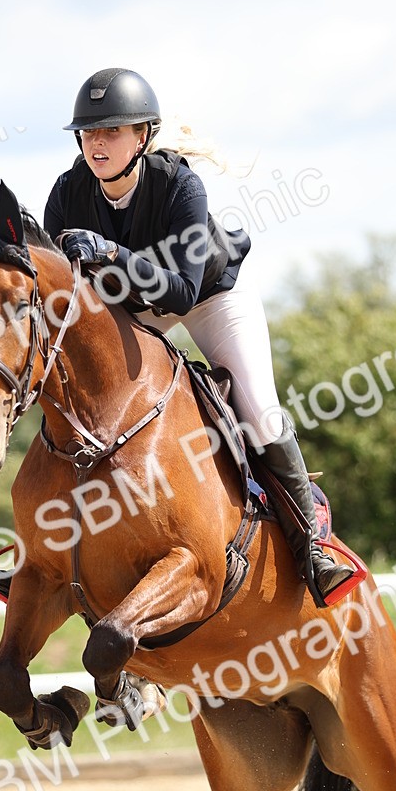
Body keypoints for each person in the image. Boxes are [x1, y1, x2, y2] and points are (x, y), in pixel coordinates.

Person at [44, 67, 359, 607]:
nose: (97, 143)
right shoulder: (69, 191)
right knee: (79, 402)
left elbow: (182, 292)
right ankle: (41, 555)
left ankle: (312, 543)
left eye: (111, 132)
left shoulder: (180, 186)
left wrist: (113, 253)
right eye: (90, 133)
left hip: (209, 297)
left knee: (258, 411)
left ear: (142, 136)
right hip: (132, 307)